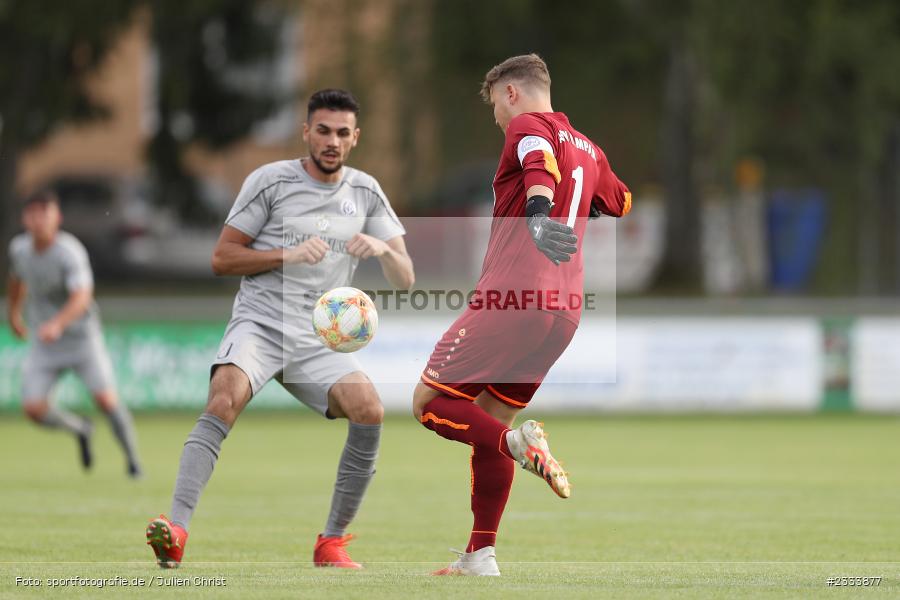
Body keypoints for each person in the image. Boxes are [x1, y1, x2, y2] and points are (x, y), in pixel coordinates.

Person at [146, 89, 415, 569]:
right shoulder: (269, 181)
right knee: (223, 400)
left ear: (356, 138)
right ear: (306, 132)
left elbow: (407, 276)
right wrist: (286, 254)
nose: (332, 141)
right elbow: (222, 258)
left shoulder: (366, 191)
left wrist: (383, 250)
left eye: (342, 133)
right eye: (324, 130)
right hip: (261, 324)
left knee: (369, 409)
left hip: (319, 338)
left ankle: (331, 543)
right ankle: (178, 530)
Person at [411, 54, 632, 576]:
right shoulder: (590, 149)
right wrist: (582, 203)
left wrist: (537, 211)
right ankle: (481, 555)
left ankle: (517, 444)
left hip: (512, 296)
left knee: (428, 403)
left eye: (494, 104)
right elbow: (621, 201)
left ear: (511, 92)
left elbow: (538, 162)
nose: (495, 117)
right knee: (491, 413)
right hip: (564, 313)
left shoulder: (528, 126)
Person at [6, 190, 142, 477]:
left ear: (57, 217)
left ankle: (133, 462)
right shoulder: (19, 249)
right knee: (33, 409)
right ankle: (80, 429)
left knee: (106, 400)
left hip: (81, 339)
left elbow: (81, 296)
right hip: (45, 344)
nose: (39, 219)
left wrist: (57, 323)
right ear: (24, 219)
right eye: (33, 213)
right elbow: (17, 281)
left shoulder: (70, 251)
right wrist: (14, 314)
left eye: (45, 212)